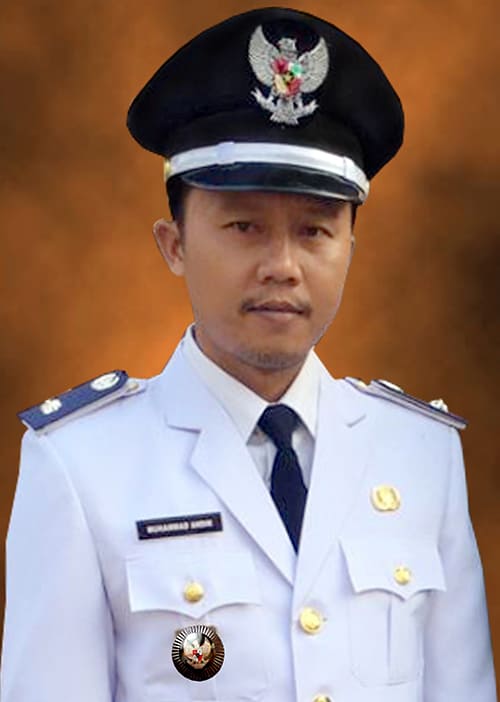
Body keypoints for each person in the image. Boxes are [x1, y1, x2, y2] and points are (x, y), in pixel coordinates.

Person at [1, 7, 496, 702]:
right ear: (174, 245)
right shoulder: (81, 467)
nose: (282, 266)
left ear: (350, 248)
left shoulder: (421, 453)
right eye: (244, 226)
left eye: (315, 231)